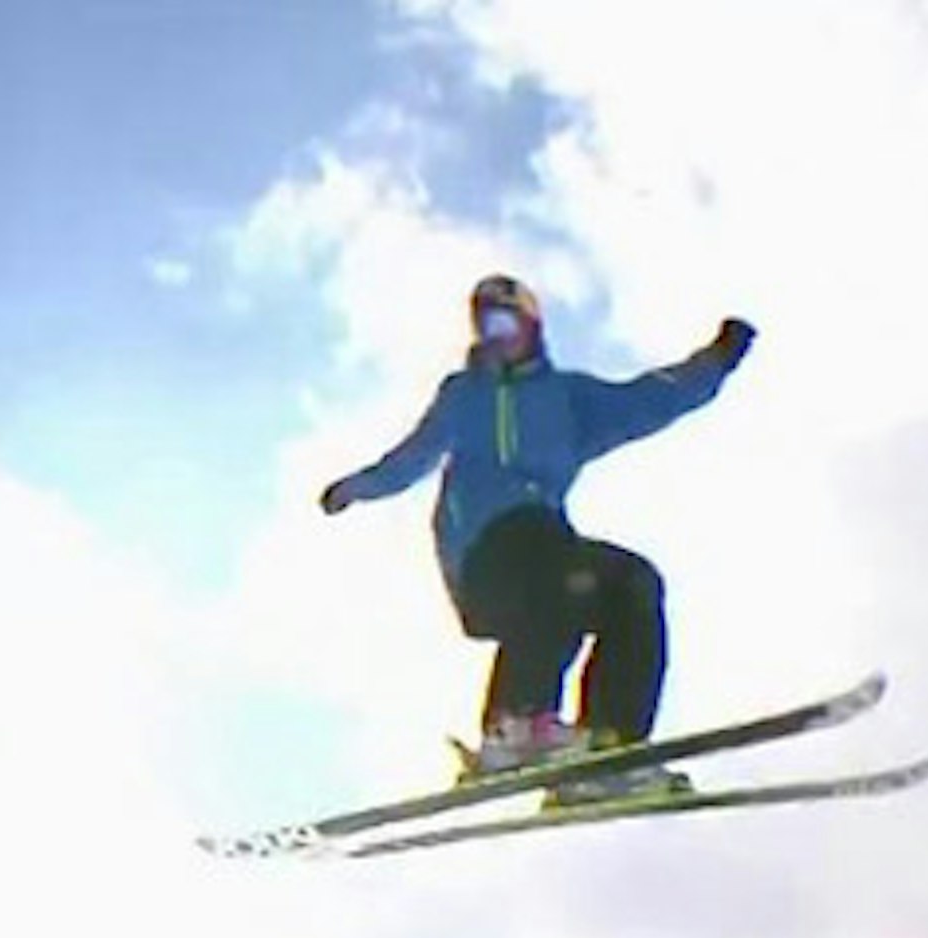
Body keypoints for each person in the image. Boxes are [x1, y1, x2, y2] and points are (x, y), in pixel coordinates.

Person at [318, 274, 756, 800]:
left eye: (504, 322)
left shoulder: (567, 400)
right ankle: (515, 724)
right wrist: (356, 488)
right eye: (484, 326)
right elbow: (411, 456)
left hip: (548, 563)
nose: (495, 336)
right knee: (544, 554)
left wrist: (717, 360)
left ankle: (609, 750)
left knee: (631, 582)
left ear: (531, 326)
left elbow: (651, 399)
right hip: (484, 555)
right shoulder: (463, 395)